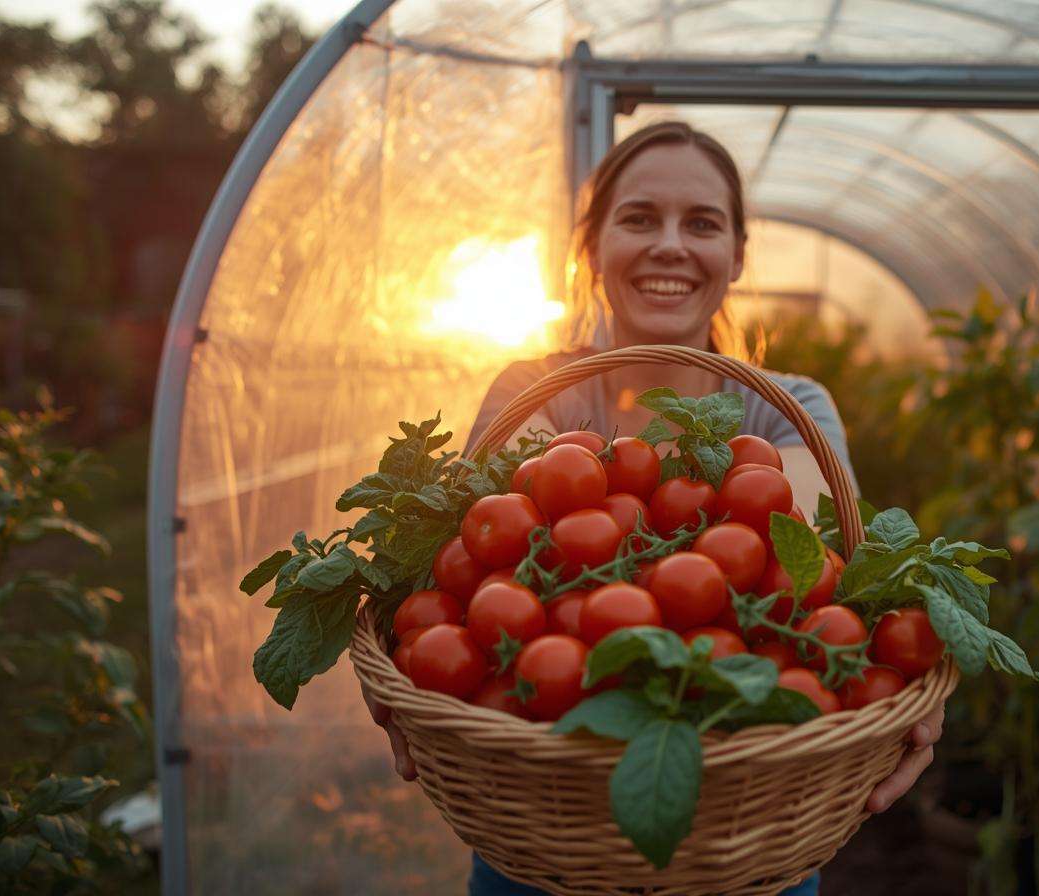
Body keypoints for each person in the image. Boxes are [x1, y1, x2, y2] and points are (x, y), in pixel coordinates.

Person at [364, 121, 945, 895]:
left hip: (748, 838)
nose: (670, 244)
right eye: (639, 218)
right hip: (547, 834)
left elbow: (818, 570)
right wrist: (406, 671)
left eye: (701, 223)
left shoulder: (791, 409)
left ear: (737, 254)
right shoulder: (530, 392)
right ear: (592, 247)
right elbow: (469, 571)